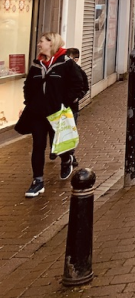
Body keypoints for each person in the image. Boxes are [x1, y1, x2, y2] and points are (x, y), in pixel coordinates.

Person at [16, 33, 86, 198]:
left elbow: (79, 85)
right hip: (38, 114)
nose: (39, 44)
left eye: (42, 41)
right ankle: (37, 181)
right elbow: (28, 86)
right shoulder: (36, 64)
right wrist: (29, 103)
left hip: (57, 113)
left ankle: (66, 159)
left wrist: (65, 103)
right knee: (38, 145)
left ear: (51, 43)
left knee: (58, 143)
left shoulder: (67, 64)